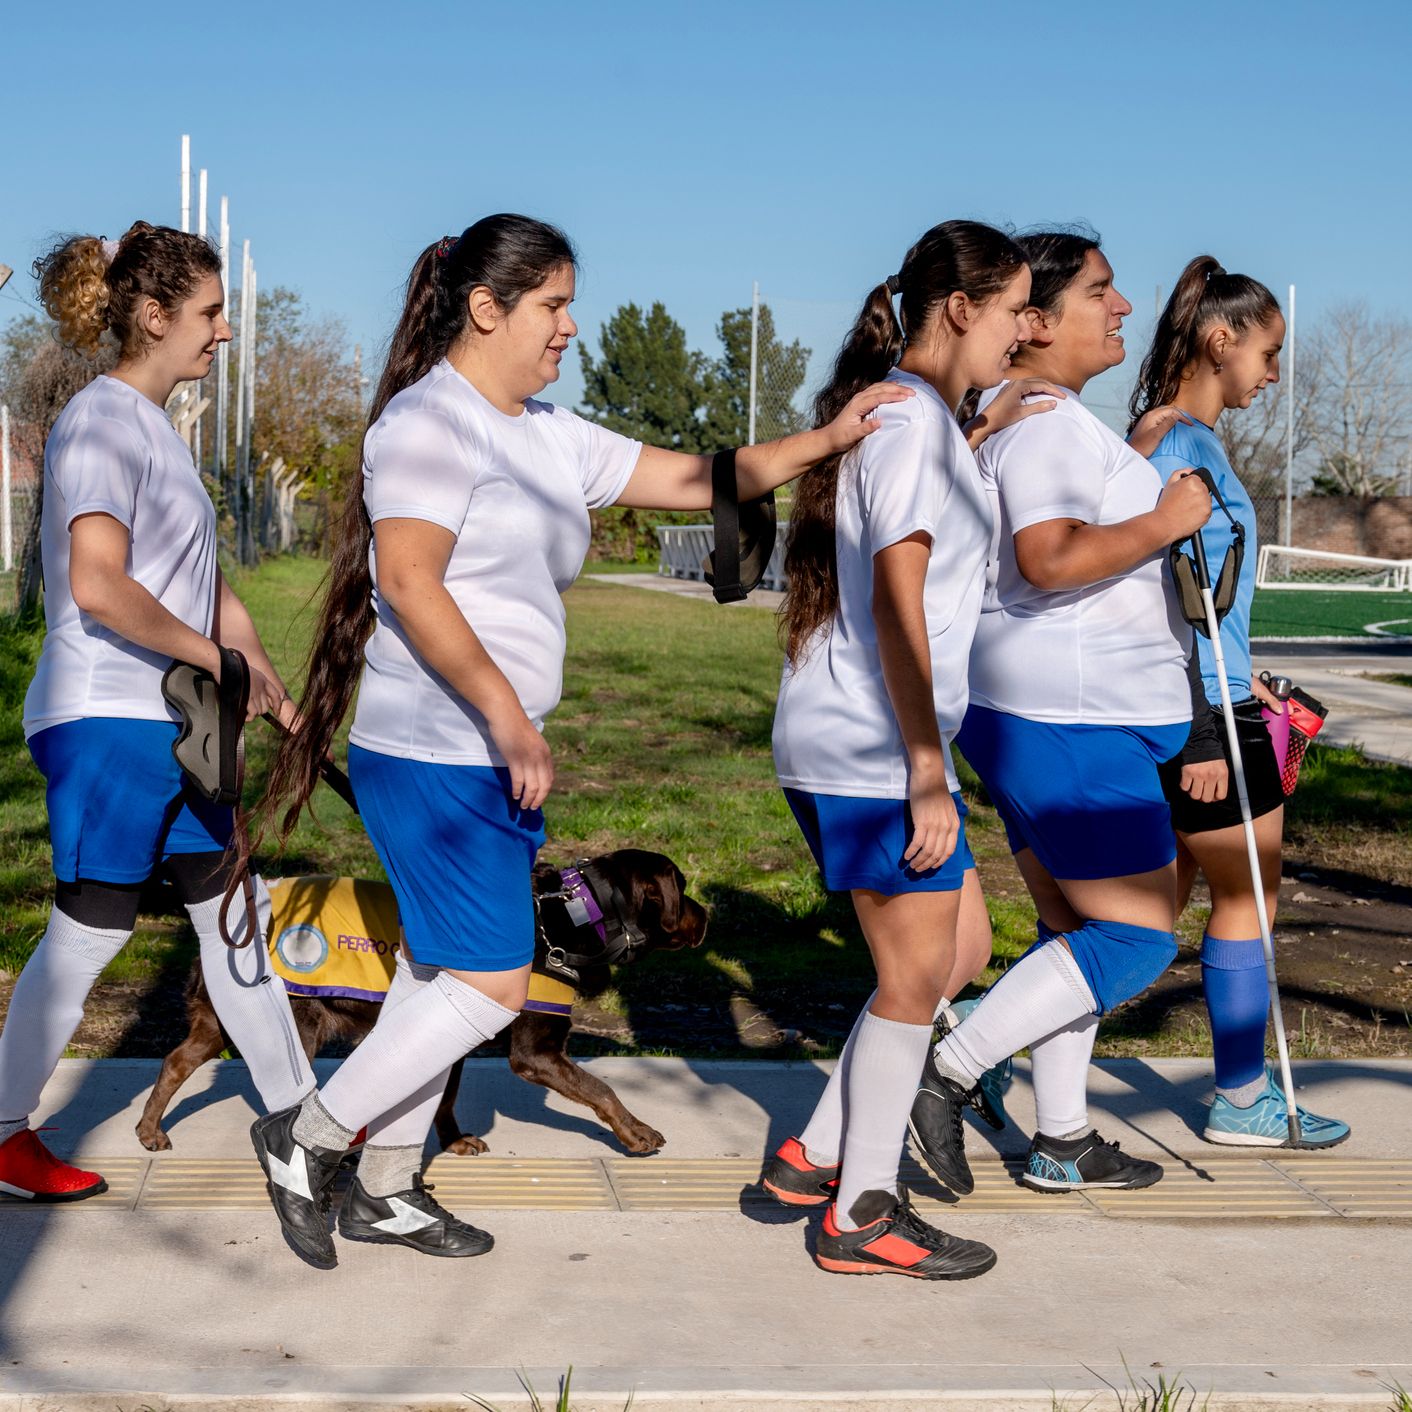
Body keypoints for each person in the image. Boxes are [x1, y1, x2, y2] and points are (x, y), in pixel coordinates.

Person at [255, 213, 909, 1269]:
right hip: (434, 746)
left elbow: (698, 476)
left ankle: (384, 1187)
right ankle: (310, 1135)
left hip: (482, 752)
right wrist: (507, 716)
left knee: (437, 973)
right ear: (486, 308)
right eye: (552, 304)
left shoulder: (547, 431)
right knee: (491, 984)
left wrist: (826, 440)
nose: (569, 325)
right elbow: (411, 584)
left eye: (569, 304)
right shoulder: (427, 424)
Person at [763, 219, 1065, 1279]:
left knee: (955, 951)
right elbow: (898, 597)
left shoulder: (922, 423)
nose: (1025, 329)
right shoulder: (906, 427)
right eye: (1014, 308)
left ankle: (815, 1154)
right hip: (873, 749)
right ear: (960, 308)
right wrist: (927, 768)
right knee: (911, 976)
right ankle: (860, 1210)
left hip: (863, 739)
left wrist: (975, 434)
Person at [0, 223, 314, 1202]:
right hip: (109, 715)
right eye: (210, 312)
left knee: (234, 918)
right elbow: (100, 585)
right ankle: (3, 1134)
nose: (223, 331)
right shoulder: (100, 421)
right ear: (151, 315)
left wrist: (265, 678)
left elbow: (202, 588)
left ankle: (306, 1126)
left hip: (173, 717)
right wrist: (215, 659)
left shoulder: (156, 433)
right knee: (92, 930)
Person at [906, 229, 1215, 1198]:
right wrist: (1165, 521)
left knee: (1072, 930)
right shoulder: (1043, 425)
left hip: (1050, 712)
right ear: (1034, 321)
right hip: (1069, 717)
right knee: (1133, 937)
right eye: (1100, 290)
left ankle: (1063, 1135)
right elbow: (1046, 558)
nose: (1122, 307)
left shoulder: (1037, 417)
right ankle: (947, 1069)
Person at [1129, 256, 1349, 1148]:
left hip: (1223, 697)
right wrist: (1202, 727)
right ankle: (1242, 1098)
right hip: (1204, 718)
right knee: (1243, 898)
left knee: (1142, 917)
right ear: (1221, 340)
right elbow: (1146, 594)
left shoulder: (1192, 439)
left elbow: (1208, 598)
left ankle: (975, 1045)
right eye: (1269, 352)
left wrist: (1245, 676)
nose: (1274, 373)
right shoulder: (1170, 442)